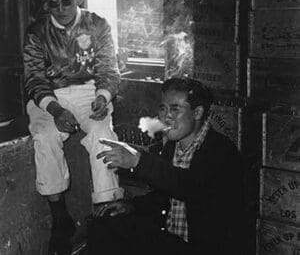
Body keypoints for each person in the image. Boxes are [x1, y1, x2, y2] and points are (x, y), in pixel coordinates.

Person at [23, 0, 124, 255]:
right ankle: (59, 219)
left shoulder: (97, 24)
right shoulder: (37, 32)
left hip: (89, 92)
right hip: (49, 97)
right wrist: (55, 110)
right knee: (44, 135)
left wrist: (103, 97)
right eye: (53, 3)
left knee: (102, 134)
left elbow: (108, 69)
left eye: (67, 0)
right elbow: (34, 79)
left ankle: (107, 214)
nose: (61, 8)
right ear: (45, 2)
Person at [87, 77, 245, 255]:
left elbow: (191, 187)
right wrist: (131, 206)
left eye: (175, 109)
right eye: (163, 108)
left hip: (203, 248)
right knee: (102, 224)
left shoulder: (221, 151)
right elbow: (164, 198)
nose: (166, 116)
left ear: (198, 113)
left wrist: (139, 161)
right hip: (171, 240)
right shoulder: (172, 146)